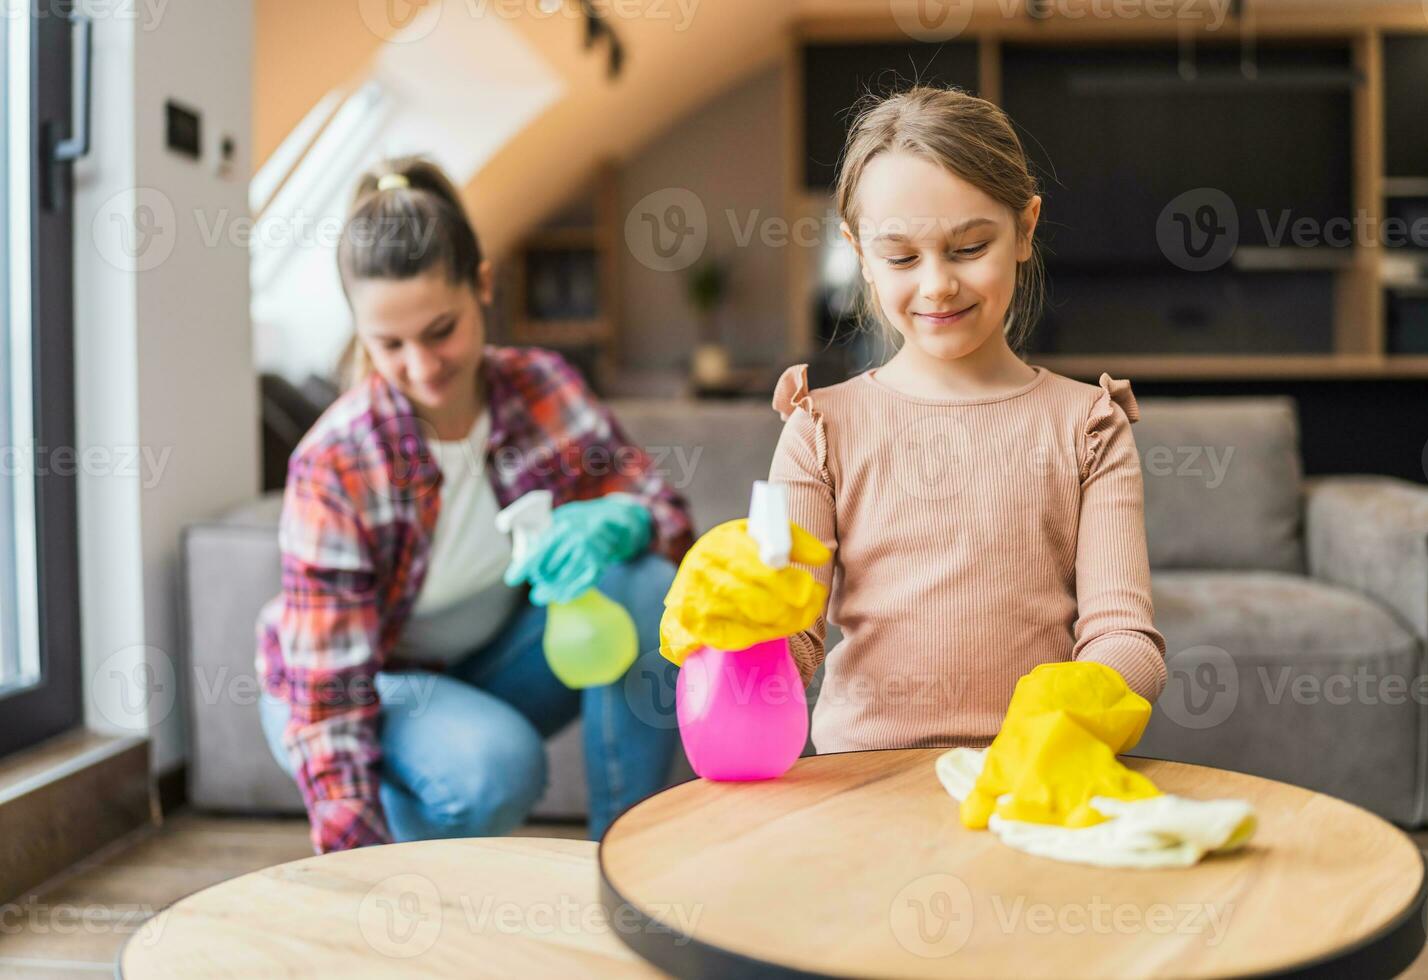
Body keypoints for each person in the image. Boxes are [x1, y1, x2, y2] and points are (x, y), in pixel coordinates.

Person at [660, 87, 1167, 752]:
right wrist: (741, 640)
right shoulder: (819, 429)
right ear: (859, 254)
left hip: (1033, 769)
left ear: (1026, 227)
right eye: (901, 257)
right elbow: (799, 637)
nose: (936, 285)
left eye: (968, 248)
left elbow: (1124, 635)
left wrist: (1077, 704)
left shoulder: (1090, 426)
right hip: (861, 778)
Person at [256, 157, 693, 854]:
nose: (422, 367)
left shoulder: (540, 387)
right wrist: (356, 881)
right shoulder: (336, 462)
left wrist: (629, 519)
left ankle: (629, 859)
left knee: (647, 584)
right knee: (494, 767)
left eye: (440, 330)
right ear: (357, 326)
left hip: (486, 667)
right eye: (389, 345)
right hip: (357, 688)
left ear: (482, 286)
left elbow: (664, 512)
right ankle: (418, 872)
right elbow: (330, 702)